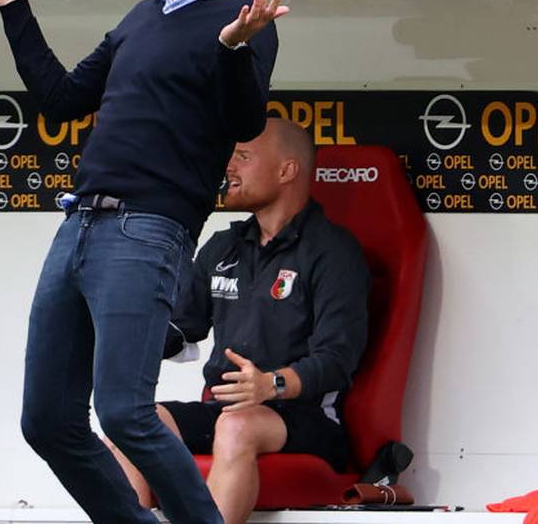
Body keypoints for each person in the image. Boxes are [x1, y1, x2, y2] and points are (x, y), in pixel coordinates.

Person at [0, 0, 283, 523]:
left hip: (148, 229)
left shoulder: (240, 15)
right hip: (78, 227)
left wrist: (233, 48)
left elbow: (244, 121)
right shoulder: (143, 15)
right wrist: (14, 6)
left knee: (124, 413)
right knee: (46, 421)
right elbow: (62, 101)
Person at [109, 118, 371, 524]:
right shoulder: (223, 246)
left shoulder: (334, 252)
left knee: (236, 427)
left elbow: (337, 360)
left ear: (286, 170)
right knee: (132, 423)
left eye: (243, 157)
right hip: (227, 411)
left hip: (306, 418)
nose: (228, 167)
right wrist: (122, 339)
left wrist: (271, 384)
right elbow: (183, 329)